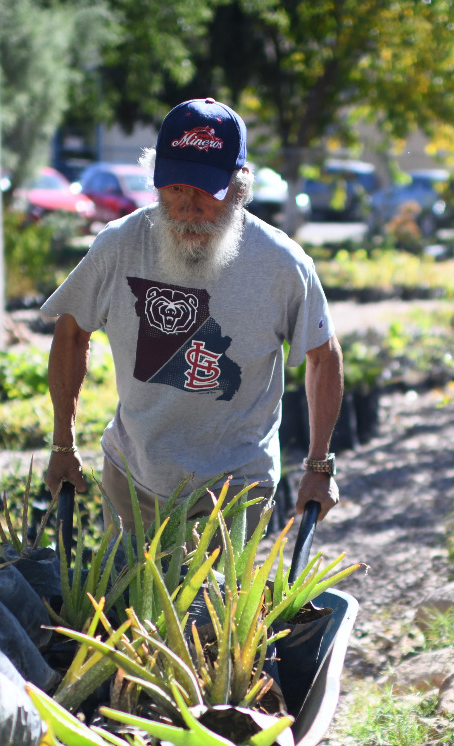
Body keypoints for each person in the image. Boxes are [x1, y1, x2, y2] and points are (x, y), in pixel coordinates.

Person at [40, 98, 342, 534]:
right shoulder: (120, 245)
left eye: (205, 190)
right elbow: (71, 334)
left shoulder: (281, 264)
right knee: (125, 600)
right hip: (133, 473)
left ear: (239, 188)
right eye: (175, 187)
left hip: (235, 484)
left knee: (213, 604)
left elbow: (323, 354)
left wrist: (319, 464)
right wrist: (62, 444)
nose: (187, 205)